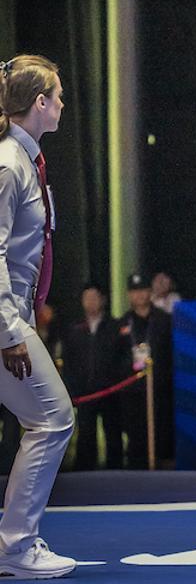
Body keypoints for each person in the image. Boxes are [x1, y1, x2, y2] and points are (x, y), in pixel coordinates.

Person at [0, 54, 76, 577]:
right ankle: (15, 548)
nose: (63, 104)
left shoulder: (27, 161)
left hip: (16, 312)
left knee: (46, 420)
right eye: (57, 96)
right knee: (52, 419)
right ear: (38, 103)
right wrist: (9, 331)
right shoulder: (8, 165)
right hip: (5, 321)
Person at [61, 283, 124, 470]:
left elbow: (121, 357)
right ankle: (84, 470)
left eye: (95, 297)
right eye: (87, 298)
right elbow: (68, 360)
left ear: (103, 299)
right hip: (85, 391)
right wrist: (71, 389)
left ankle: (116, 469)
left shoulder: (114, 326)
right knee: (86, 432)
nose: (91, 302)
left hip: (110, 390)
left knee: (113, 431)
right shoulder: (74, 329)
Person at [119, 272, 174, 468]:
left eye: (143, 290)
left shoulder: (165, 320)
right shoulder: (123, 323)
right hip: (133, 392)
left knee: (162, 435)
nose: (139, 295)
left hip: (160, 391)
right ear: (129, 295)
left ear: (149, 292)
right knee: (136, 438)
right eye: (134, 291)